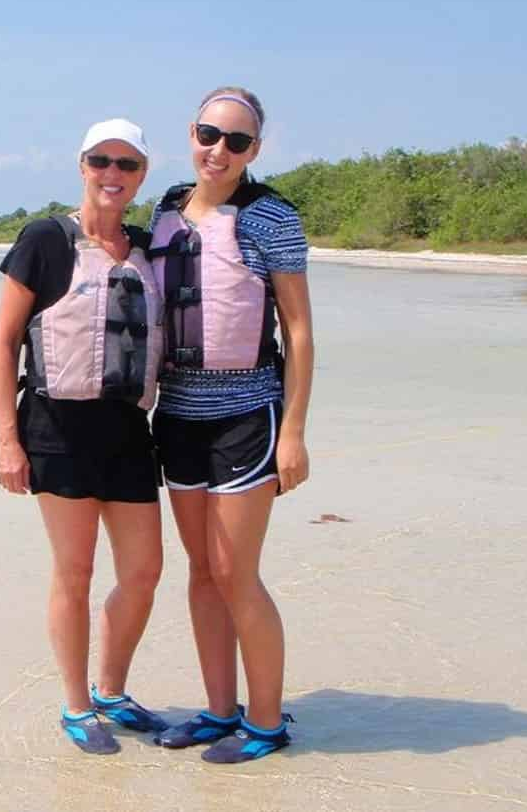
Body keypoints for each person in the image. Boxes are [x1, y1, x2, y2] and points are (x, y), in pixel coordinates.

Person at [0, 119, 168, 755]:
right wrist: (7, 441)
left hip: (126, 430)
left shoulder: (148, 249)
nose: (112, 174)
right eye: (101, 161)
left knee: (145, 571)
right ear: (82, 165)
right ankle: (76, 704)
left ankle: (112, 690)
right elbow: (5, 342)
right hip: (57, 428)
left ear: (142, 172)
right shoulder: (45, 239)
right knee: (76, 569)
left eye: (127, 164)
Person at [148, 87, 314, 763]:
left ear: (254, 151)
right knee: (200, 571)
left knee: (235, 572)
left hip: (246, 415)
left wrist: (295, 430)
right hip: (178, 415)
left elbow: (299, 331)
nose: (220, 150)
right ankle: (219, 709)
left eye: (237, 141)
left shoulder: (269, 218)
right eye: (210, 134)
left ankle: (267, 723)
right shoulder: (164, 210)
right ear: (192, 132)